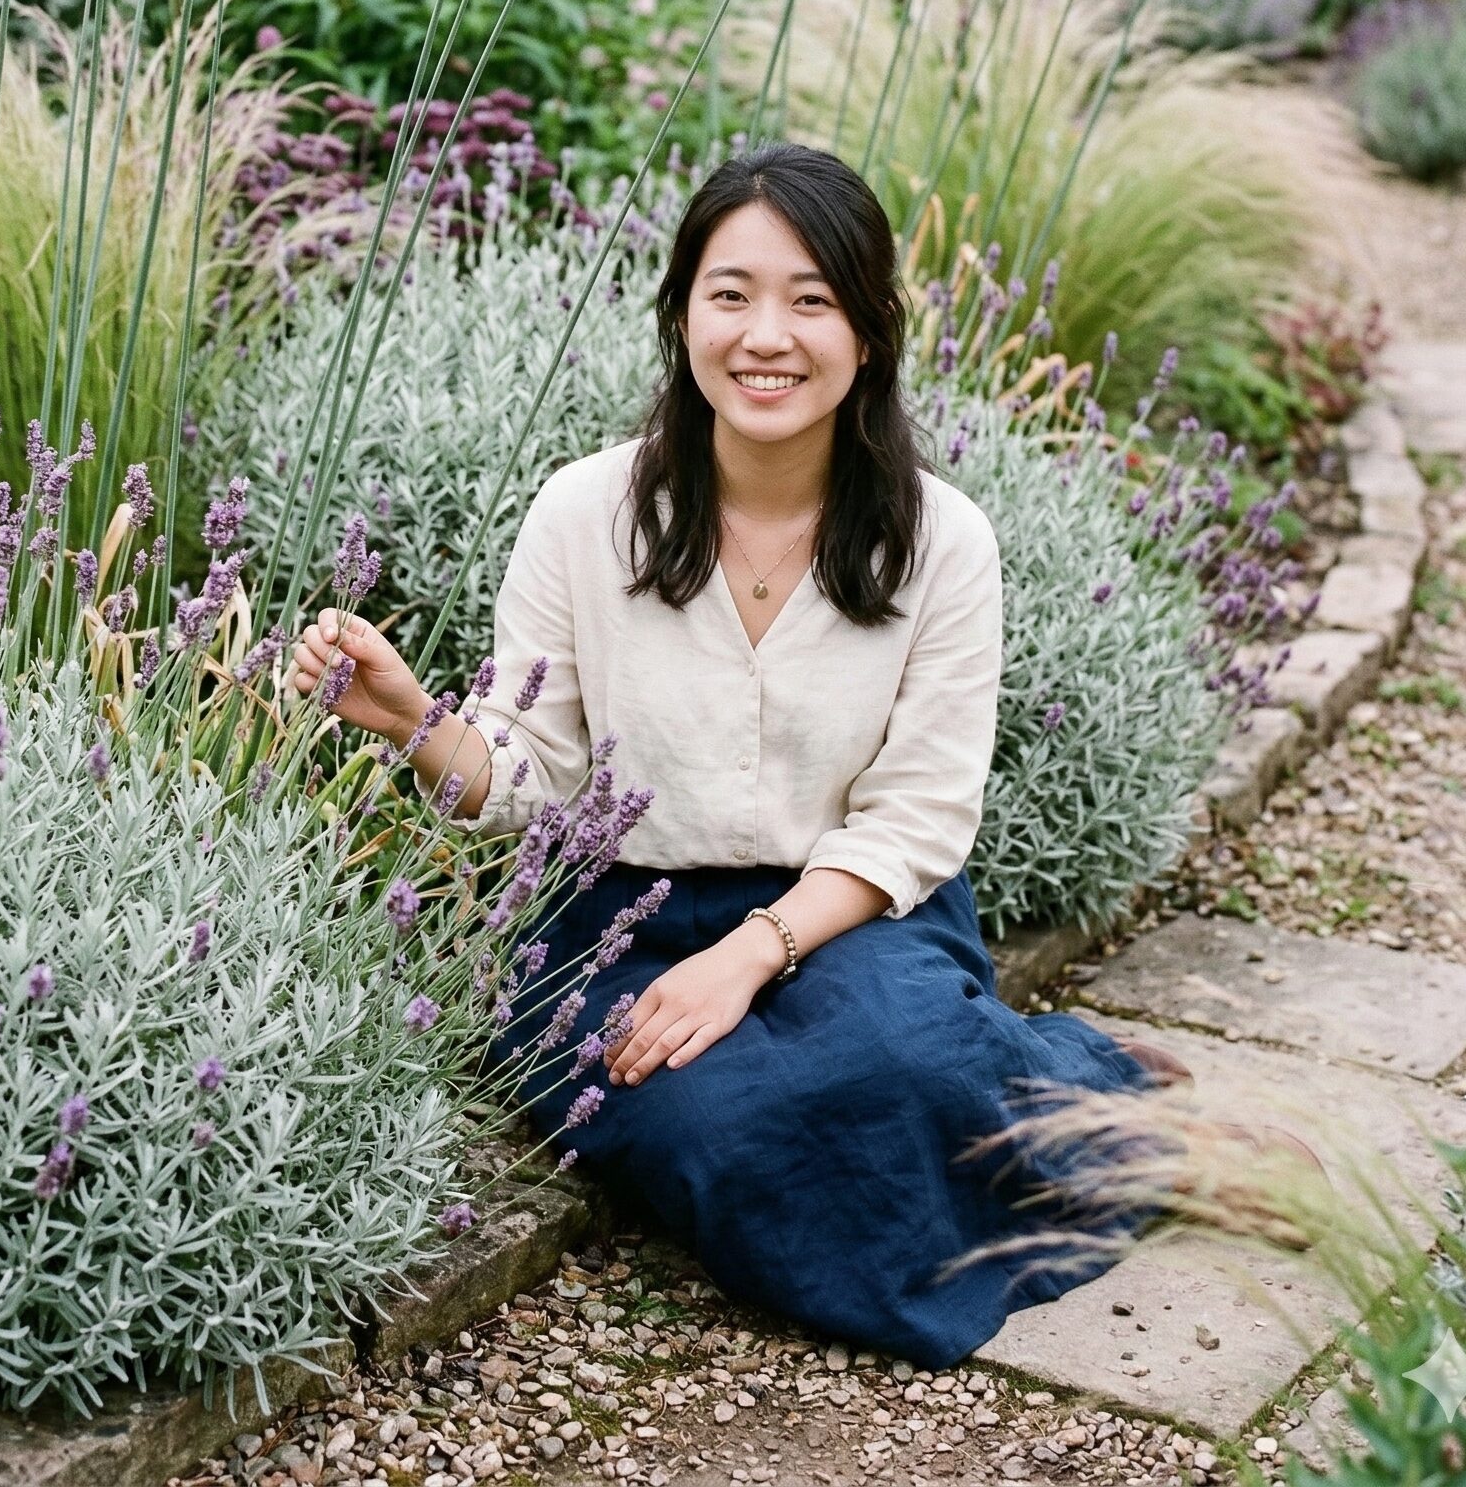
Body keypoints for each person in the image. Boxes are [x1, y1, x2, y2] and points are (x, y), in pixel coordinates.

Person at [287, 141, 1194, 1367]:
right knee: (722, 1127)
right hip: (617, 920)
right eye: (730, 293)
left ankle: (1107, 1110)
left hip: (852, 908)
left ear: (868, 331)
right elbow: (530, 777)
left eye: (810, 298)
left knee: (906, 1060)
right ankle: (1023, 1099)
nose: (766, 334)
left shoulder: (943, 542)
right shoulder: (581, 515)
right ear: (679, 317)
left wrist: (747, 956)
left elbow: (918, 816)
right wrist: (415, 724)